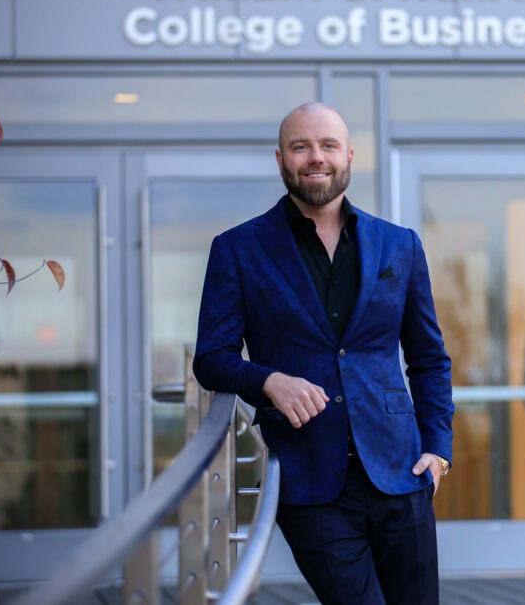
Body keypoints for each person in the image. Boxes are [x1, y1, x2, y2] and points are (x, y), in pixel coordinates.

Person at [193, 102, 454, 605]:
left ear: (349, 156)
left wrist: (439, 448)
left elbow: (428, 356)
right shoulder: (237, 249)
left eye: (328, 145)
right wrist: (267, 380)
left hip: (402, 471)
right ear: (280, 158)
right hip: (309, 478)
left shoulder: (400, 245)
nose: (316, 157)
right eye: (301, 146)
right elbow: (212, 358)